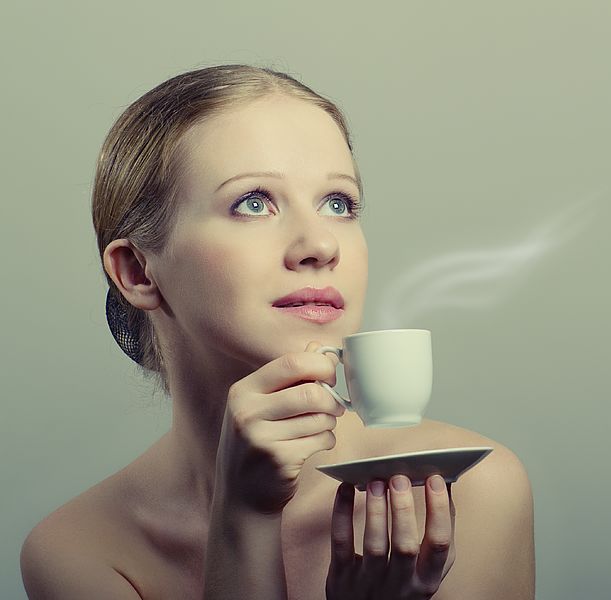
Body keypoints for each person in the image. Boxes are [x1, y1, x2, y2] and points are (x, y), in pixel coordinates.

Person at [19, 64, 535, 599]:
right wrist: (244, 516)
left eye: (339, 204)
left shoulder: (470, 491)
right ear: (138, 272)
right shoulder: (78, 552)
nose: (321, 245)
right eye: (253, 203)